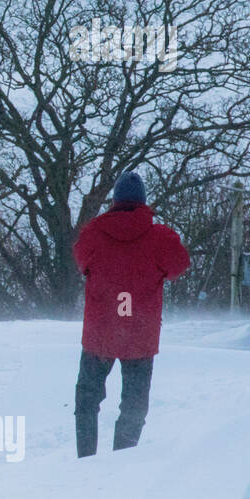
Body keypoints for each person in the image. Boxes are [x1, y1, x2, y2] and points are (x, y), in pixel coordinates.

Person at [72, 170, 190, 458]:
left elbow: (80, 262)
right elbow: (179, 266)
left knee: (88, 398)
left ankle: (85, 458)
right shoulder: (160, 236)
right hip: (139, 334)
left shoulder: (93, 232)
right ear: (142, 201)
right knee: (134, 404)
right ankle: (122, 460)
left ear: (115, 200)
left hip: (101, 332)